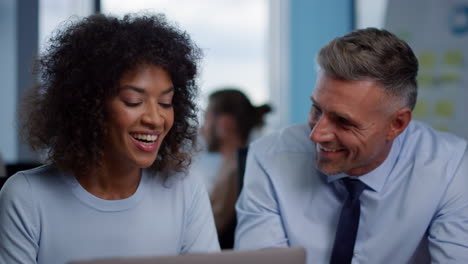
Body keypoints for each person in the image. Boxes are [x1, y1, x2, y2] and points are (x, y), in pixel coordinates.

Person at [235, 28, 468, 263]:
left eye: (343, 121)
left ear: (396, 124)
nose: (317, 135)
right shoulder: (269, 157)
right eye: (316, 109)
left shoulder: (452, 167)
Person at [0, 13, 219, 264]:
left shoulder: (185, 189)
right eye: (133, 101)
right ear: (89, 106)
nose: (156, 119)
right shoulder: (26, 196)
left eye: (165, 103)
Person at [200, 89, 271, 248]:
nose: (202, 129)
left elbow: (212, 228)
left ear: (225, 123)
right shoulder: (233, 164)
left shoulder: (237, 170)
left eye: (206, 119)